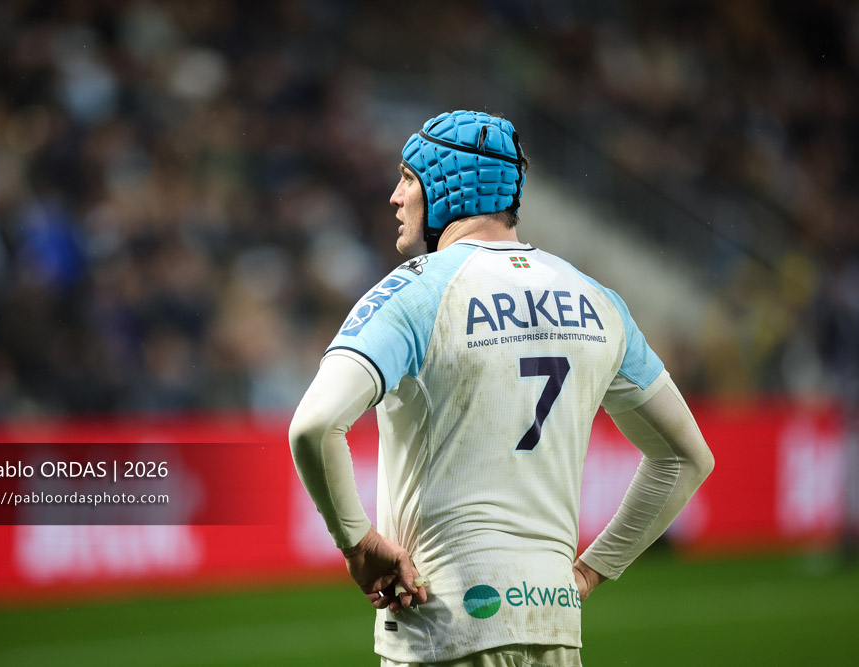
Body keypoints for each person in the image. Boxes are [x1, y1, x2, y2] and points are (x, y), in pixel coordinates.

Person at [289, 110, 714, 666]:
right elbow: (686, 458)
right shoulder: (597, 299)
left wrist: (359, 545)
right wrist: (589, 571)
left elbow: (314, 426)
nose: (394, 197)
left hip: (443, 626)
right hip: (554, 626)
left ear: (448, 185)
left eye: (408, 178)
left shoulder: (414, 293)